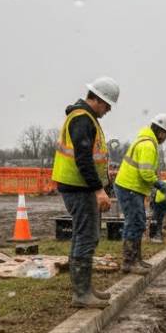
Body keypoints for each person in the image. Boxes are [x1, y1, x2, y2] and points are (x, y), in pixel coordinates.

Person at [51, 77, 118, 308]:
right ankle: (81, 294)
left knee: (84, 235)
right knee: (86, 236)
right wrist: (99, 190)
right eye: (107, 105)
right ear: (97, 99)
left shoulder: (85, 118)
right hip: (78, 187)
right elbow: (83, 159)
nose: (108, 110)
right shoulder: (82, 119)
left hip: (79, 186)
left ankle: (85, 288)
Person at [114, 113, 166, 273]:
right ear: (160, 132)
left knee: (136, 222)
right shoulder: (148, 145)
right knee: (135, 222)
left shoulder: (146, 141)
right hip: (130, 188)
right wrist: (158, 183)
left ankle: (135, 260)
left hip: (131, 187)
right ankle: (129, 262)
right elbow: (146, 173)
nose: (165, 138)